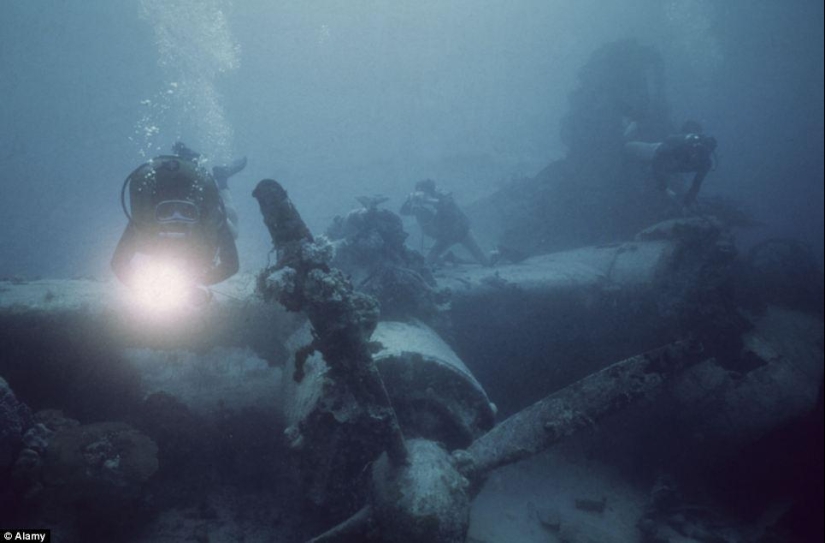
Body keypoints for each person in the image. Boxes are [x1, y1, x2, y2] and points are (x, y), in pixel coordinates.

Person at [111, 142, 246, 291]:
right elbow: (119, 263)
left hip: (203, 232)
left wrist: (199, 282)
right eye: (166, 212)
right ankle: (191, 161)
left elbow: (231, 265)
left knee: (233, 226)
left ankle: (221, 179)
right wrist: (144, 287)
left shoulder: (210, 218)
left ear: (198, 212)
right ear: (155, 212)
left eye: (187, 212)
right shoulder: (143, 223)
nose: (176, 219)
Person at [624, 120, 717, 207]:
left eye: (703, 152)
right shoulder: (680, 147)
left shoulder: (705, 164)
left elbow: (696, 185)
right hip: (653, 151)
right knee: (626, 147)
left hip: (667, 165)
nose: (697, 155)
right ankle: (630, 124)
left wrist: (688, 201)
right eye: (697, 150)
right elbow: (657, 162)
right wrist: (664, 187)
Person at [400, 179, 490, 266]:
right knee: (428, 261)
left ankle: (449, 259)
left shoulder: (442, 197)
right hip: (445, 237)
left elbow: (452, 215)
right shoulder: (421, 205)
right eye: (419, 191)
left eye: (424, 191)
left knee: (484, 261)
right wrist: (410, 201)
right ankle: (447, 258)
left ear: (431, 190)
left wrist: (437, 206)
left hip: (462, 232)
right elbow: (403, 211)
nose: (422, 194)